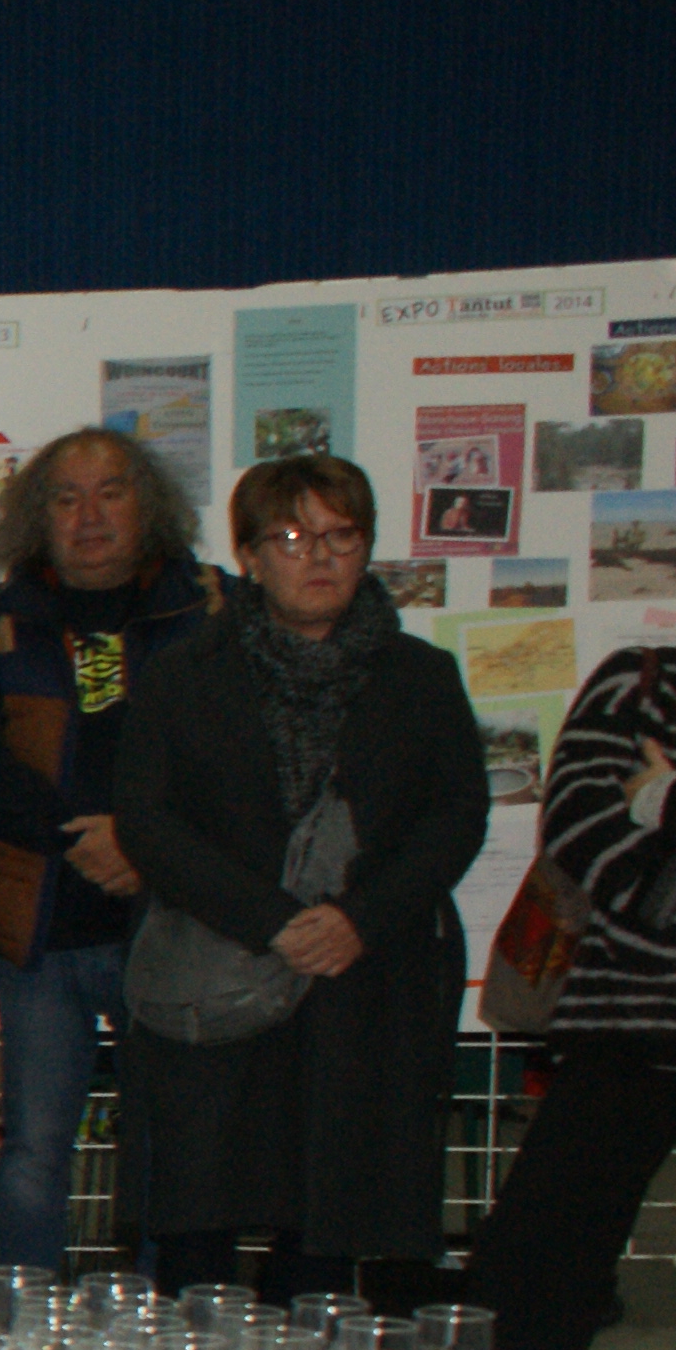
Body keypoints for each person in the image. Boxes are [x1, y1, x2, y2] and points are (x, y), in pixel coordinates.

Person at [111, 457, 487, 1302]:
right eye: (289, 537)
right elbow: (147, 819)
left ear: (367, 548)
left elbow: (457, 816)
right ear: (248, 557)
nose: (318, 556)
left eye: (339, 536)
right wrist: (273, 920)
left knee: (329, 1222)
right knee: (198, 1225)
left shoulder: (421, 676)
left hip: (365, 977)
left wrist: (358, 920)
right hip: (219, 968)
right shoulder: (182, 674)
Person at [0, 429, 229, 1271]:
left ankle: (155, 1325)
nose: (89, 516)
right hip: (44, 933)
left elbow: (233, 763)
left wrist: (143, 846)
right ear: (38, 517)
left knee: (168, 1151)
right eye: (66, 498)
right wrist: (83, 840)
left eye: (110, 492)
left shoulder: (213, 615)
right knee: (34, 1153)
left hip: (173, 926)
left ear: (150, 505)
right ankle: (24, 1326)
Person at [464, 623, 676, 1350]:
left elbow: (643, 823)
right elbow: (579, 827)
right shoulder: (644, 682)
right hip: (627, 1026)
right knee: (533, 1272)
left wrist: (671, 801)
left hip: (646, 995)